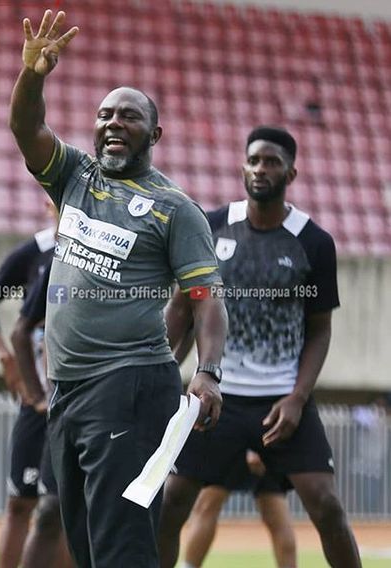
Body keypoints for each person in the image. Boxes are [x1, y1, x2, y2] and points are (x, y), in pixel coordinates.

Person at [9, 10, 228, 567]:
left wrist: (207, 371)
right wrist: (33, 76)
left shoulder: (174, 209)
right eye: (104, 114)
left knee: (122, 547)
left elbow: (206, 300)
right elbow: (26, 129)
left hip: (129, 384)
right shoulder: (75, 177)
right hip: (70, 390)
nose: (112, 123)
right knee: (85, 547)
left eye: (128, 117)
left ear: (154, 134)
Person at [157, 126, 362, 568]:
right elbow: (184, 307)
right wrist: (160, 371)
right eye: (254, 160)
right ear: (242, 167)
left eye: (271, 161)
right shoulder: (210, 226)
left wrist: (297, 397)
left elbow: (320, 330)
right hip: (215, 397)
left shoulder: (314, 242)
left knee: (325, 505)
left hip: (282, 402)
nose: (261, 169)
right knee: (171, 503)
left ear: (292, 171)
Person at [0, 221, 55, 568]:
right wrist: (5, 357)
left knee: (66, 510)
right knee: (21, 501)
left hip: (86, 404)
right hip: (36, 404)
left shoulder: (107, 244)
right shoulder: (36, 251)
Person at [10, 259, 72, 568]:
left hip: (121, 405)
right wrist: (38, 393)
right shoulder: (57, 261)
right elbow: (24, 331)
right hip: (67, 409)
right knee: (49, 510)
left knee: (101, 514)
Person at [181, 449, 296, 568]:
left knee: (275, 512)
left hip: (261, 444)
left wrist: (254, 446)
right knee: (206, 506)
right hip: (232, 444)